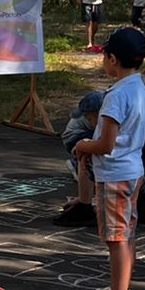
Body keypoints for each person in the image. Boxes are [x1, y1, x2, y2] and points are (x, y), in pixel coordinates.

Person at [72, 28, 145, 290]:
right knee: (127, 234)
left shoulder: (116, 95)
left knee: (116, 238)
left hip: (115, 174)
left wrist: (83, 145)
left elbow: (106, 144)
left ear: (113, 59)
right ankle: (122, 288)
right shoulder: (139, 86)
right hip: (132, 170)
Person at [53, 90, 106, 227]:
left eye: (90, 119)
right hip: (76, 137)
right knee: (87, 152)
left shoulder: (109, 118)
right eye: (88, 119)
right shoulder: (91, 124)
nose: (90, 122)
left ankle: (85, 203)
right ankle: (84, 204)